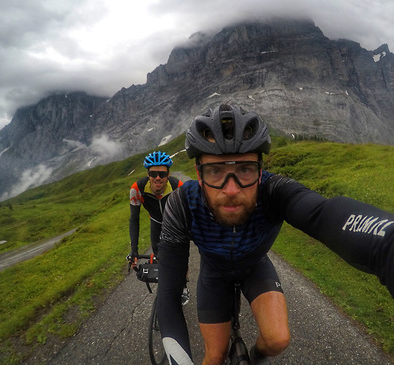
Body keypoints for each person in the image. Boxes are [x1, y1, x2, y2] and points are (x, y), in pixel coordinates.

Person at [156, 103, 394, 365]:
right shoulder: (181, 204)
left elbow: (323, 214)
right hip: (213, 275)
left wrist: (388, 246)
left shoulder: (274, 190)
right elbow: (168, 295)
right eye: (216, 171)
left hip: (255, 267)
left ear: (260, 173)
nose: (232, 189)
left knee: (277, 340)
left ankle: (256, 359)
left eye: (245, 169)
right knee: (214, 356)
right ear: (199, 177)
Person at [129, 151, 189, 305]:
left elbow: (188, 214)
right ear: (148, 174)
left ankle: (183, 285)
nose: (157, 178)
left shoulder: (178, 187)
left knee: (180, 258)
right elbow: (134, 219)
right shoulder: (137, 189)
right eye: (153, 173)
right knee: (159, 257)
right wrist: (134, 249)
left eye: (162, 174)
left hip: (176, 224)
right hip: (156, 224)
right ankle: (167, 286)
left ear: (168, 174)